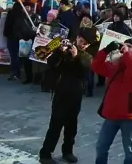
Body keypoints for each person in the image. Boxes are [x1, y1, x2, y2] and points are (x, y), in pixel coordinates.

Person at [39, 29, 94, 164]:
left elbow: (85, 73)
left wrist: (76, 57)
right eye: (81, 41)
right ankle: (45, 154)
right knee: (56, 124)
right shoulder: (64, 49)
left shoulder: (86, 56)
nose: (83, 45)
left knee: (71, 126)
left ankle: (68, 151)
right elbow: (51, 64)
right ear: (77, 38)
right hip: (61, 92)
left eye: (86, 44)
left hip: (76, 94)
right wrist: (59, 52)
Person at [92, 39, 132, 164]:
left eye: (130, 46)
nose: (126, 48)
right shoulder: (114, 65)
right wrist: (106, 50)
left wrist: (127, 54)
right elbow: (96, 66)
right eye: (124, 45)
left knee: (129, 150)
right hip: (112, 113)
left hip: (129, 115)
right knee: (101, 147)